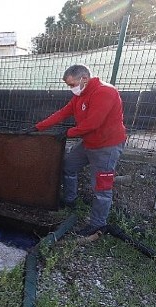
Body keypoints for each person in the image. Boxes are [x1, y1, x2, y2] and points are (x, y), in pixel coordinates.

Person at [30, 64, 126, 240]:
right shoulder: (80, 95)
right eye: (68, 85)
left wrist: (67, 133)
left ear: (84, 79)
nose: (71, 88)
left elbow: (93, 123)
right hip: (89, 142)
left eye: (71, 84)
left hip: (106, 146)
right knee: (68, 165)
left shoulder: (105, 92)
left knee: (101, 187)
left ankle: (97, 224)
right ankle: (70, 200)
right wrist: (37, 128)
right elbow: (62, 113)